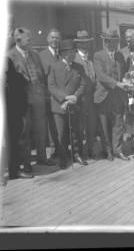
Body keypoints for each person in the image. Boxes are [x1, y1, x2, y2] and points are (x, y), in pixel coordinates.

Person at [6, 27, 51, 179]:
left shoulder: (35, 55)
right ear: (18, 40)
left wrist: (44, 94)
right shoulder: (10, 56)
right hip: (22, 101)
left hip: (38, 97)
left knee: (40, 129)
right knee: (24, 133)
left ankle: (42, 157)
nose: (30, 41)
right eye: (28, 39)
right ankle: (26, 165)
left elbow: (42, 75)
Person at [48, 39, 86, 169]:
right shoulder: (54, 67)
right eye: (72, 51)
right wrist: (65, 97)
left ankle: (77, 155)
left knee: (76, 132)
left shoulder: (78, 67)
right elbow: (51, 86)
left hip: (74, 104)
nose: (74, 54)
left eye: (74, 51)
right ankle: (63, 159)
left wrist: (75, 96)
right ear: (65, 53)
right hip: (59, 106)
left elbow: (83, 84)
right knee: (61, 134)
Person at [93, 28, 129, 161]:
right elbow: (101, 76)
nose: (116, 44)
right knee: (104, 125)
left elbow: (123, 72)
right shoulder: (98, 56)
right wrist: (117, 83)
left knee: (118, 124)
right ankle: (107, 150)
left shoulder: (120, 56)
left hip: (117, 96)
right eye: (113, 42)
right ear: (106, 42)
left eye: (117, 41)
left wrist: (127, 79)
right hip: (103, 96)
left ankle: (118, 150)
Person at [73, 30, 98, 161]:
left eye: (87, 43)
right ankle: (79, 152)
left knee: (91, 125)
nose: (85, 45)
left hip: (91, 97)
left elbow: (94, 77)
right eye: (82, 43)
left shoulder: (91, 58)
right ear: (77, 45)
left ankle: (90, 149)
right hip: (80, 98)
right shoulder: (75, 59)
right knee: (79, 127)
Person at [39, 28, 61, 159]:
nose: (55, 40)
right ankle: (54, 148)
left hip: (62, 94)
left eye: (57, 37)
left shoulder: (62, 54)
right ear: (47, 39)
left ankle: (63, 147)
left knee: (61, 124)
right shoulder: (41, 55)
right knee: (52, 123)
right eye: (52, 37)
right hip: (49, 96)